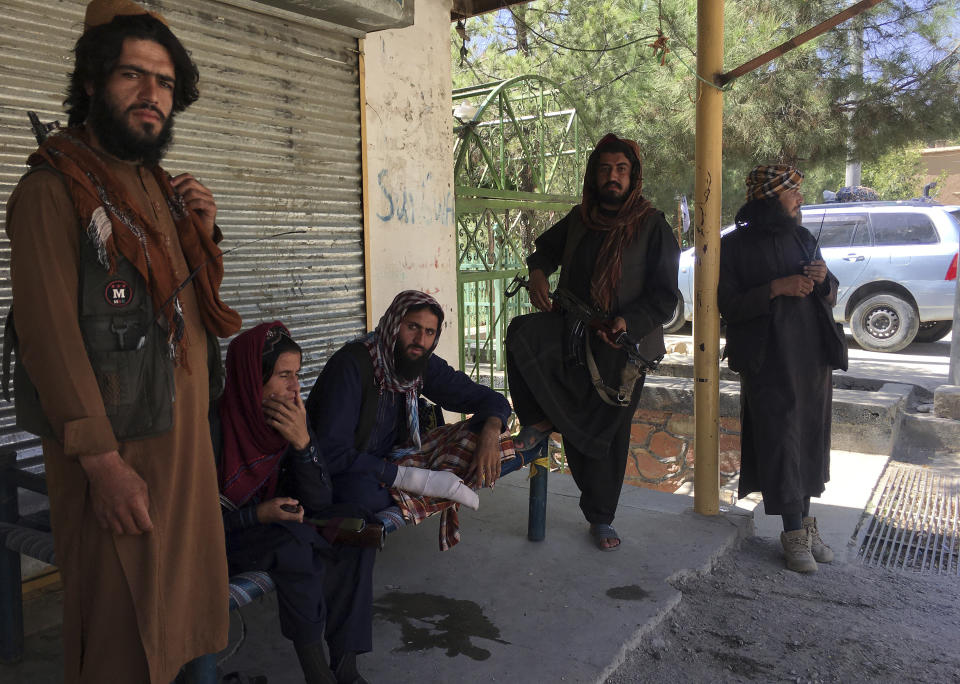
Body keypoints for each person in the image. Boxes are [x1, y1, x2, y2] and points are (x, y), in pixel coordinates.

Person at [3, 2, 242, 681]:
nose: (152, 95)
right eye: (132, 75)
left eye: (164, 82)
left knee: (190, 627)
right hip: (120, 462)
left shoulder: (159, 188)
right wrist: (103, 467)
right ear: (90, 83)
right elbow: (48, 341)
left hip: (185, 455)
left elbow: (192, 313)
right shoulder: (52, 192)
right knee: (121, 637)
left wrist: (203, 229)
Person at [505, 133, 680, 551]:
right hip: (573, 331)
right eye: (605, 169)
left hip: (623, 346)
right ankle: (538, 420)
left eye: (621, 169)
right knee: (522, 336)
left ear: (632, 175)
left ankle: (601, 518)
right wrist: (538, 274)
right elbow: (545, 250)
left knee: (609, 432)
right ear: (594, 174)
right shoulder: (580, 218)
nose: (612, 177)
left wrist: (627, 321)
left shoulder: (653, 225)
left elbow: (665, 296)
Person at [216, 322, 377, 684]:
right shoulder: (213, 430)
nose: (294, 387)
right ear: (251, 378)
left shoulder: (284, 421)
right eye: (283, 375)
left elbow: (319, 500)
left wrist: (304, 444)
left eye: (297, 374)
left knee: (357, 527)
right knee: (291, 543)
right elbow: (194, 522)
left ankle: (346, 667)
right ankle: (317, 673)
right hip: (222, 538)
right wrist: (258, 513)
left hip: (276, 523)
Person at [306, 290, 513, 550]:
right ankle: (418, 490)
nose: (420, 340)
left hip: (391, 461)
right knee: (359, 496)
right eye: (412, 327)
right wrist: (411, 478)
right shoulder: (352, 366)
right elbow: (331, 454)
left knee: (489, 437)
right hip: (345, 470)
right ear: (394, 324)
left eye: (429, 332)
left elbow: (489, 399)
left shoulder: (419, 364)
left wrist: (491, 431)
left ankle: (415, 489)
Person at [717, 165, 848, 574]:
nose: (801, 200)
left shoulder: (804, 237)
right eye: (793, 193)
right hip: (768, 359)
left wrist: (823, 280)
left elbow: (831, 294)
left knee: (809, 439)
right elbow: (729, 305)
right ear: (771, 197)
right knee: (783, 440)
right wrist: (777, 287)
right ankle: (791, 533)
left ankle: (805, 527)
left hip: (812, 359)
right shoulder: (734, 247)